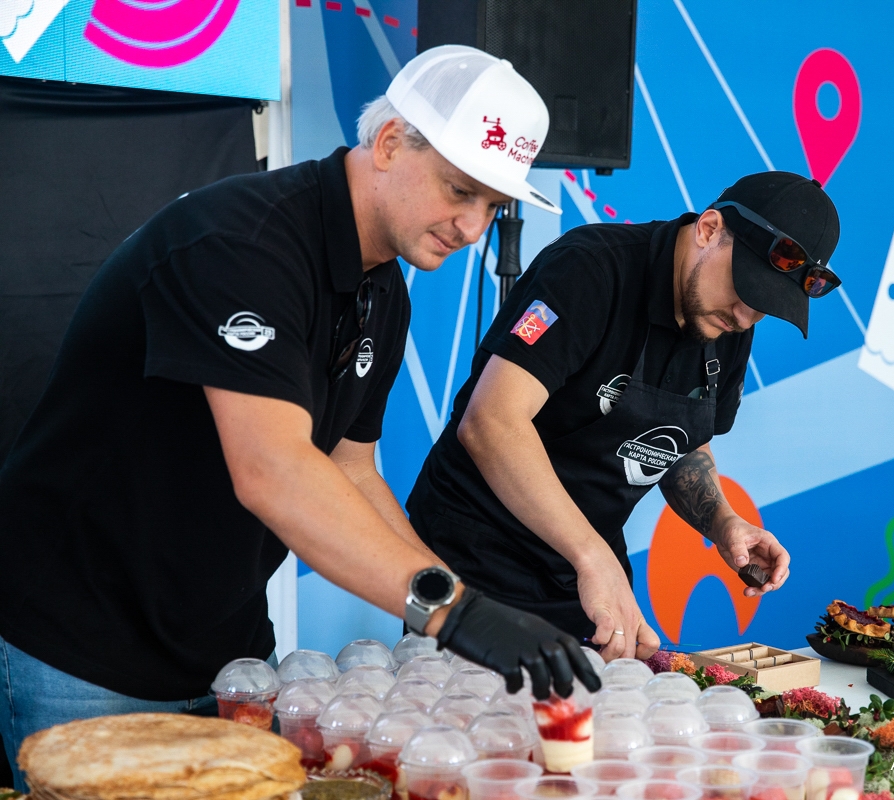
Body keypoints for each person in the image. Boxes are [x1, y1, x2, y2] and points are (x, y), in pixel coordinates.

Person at [0, 45, 598, 788]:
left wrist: (459, 612)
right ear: (388, 143)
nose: (474, 227)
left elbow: (350, 472)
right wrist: (457, 612)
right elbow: (274, 473)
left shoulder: (386, 290)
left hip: (226, 654)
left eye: (492, 205)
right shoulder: (242, 243)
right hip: (85, 644)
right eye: (459, 189)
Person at [406, 172, 843, 660]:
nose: (745, 318)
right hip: (475, 556)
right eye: (747, 290)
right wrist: (592, 556)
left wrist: (723, 523)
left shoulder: (729, 318)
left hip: (584, 574)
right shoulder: (590, 270)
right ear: (709, 228)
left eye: (765, 306)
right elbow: (491, 421)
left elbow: (680, 442)